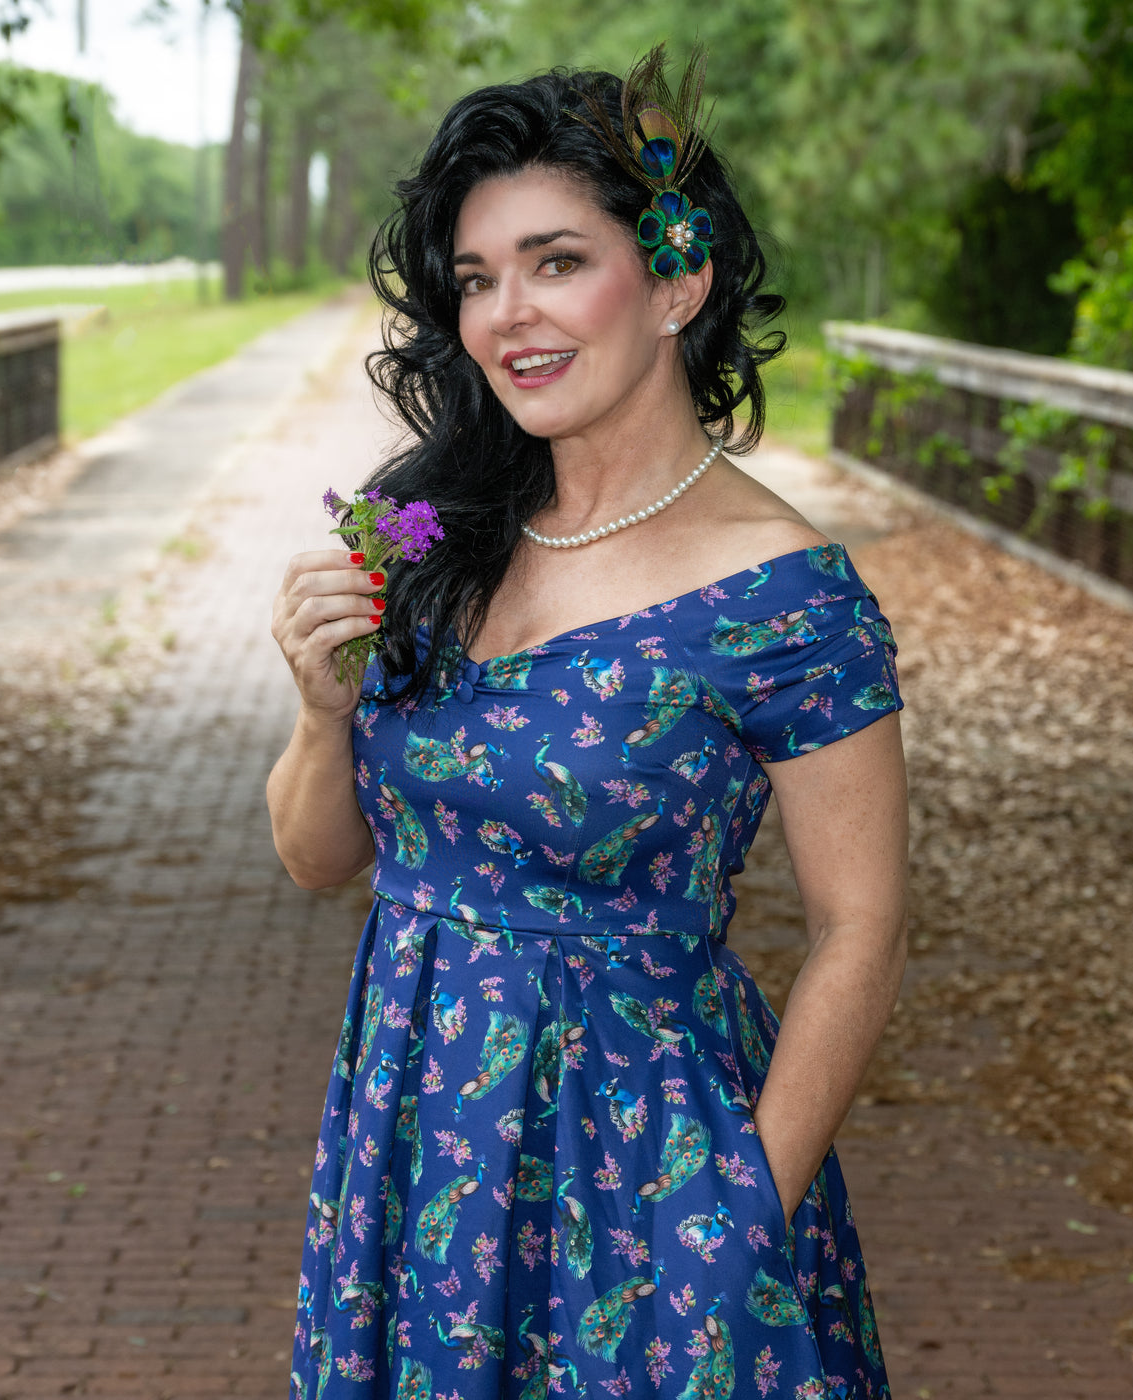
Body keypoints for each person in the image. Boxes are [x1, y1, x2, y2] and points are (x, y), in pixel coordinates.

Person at [267, 47, 908, 1400]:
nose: (508, 315)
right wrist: (324, 715)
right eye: (476, 278)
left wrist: (738, 1220)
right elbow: (322, 858)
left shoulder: (784, 596)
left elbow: (861, 928)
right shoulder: (429, 529)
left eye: (556, 262)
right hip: (414, 1153)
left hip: (648, 1177)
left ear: (676, 281)